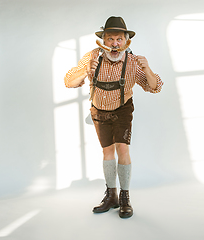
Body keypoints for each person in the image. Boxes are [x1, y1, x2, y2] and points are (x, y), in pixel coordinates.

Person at [64, 16, 163, 218]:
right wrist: (85, 70)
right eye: (110, 39)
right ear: (103, 40)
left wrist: (148, 69)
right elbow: (69, 82)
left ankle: (125, 198)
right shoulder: (92, 56)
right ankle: (112, 196)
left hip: (122, 109)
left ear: (126, 41)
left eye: (119, 39)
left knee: (122, 148)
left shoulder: (133, 62)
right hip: (99, 111)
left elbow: (156, 87)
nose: (115, 44)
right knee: (107, 151)